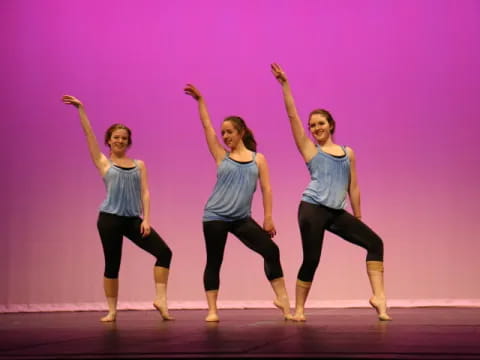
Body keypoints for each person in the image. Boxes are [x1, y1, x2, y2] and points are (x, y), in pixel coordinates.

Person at [270, 63, 392, 322]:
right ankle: (299, 310)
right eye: (312, 125)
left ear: (331, 125)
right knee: (312, 259)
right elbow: (292, 116)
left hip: (337, 212)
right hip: (312, 209)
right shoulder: (310, 150)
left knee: (375, 243)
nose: (316, 128)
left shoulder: (348, 153)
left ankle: (379, 298)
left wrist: (357, 215)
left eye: (321, 123)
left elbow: (353, 185)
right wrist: (285, 85)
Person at [183, 84, 292, 322]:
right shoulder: (222, 156)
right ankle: (212, 310)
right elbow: (207, 127)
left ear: (241, 132)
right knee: (214, 260)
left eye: (229, 132)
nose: (225, 136)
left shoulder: (257, 159)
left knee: (271, 250)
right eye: (223, 133)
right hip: (215, 216)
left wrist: (268, 216)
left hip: (241, 218)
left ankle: (284, 304)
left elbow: (266, 189)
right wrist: (201, 101)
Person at [62, 95, 174, 322]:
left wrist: (146, 219)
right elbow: (89, 135)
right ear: (109, 141)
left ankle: (161, 299)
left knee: (164, 252)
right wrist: (81, 109)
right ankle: (112, 310)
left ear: (128, 142)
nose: (120, 141)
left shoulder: (139, 165)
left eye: (124, 138)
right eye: (116, 138)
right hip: (109, 219)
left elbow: (145, 192)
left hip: (133, 219)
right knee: (113, 263)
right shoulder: (104, 163)